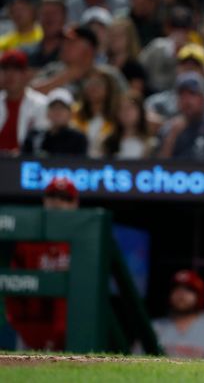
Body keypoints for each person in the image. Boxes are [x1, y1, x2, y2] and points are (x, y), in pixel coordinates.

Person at [4, 176, 79, 351]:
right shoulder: (28, 241)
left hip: (75, 333)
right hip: (30, 332)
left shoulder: (86, 242)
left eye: (65, 198)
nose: (58, 203)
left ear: (75, 204)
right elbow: (14, 289)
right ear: (44, 200)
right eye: (53, 196)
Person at [0, 50, 48, 154]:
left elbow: (41, 144)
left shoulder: (40, 104)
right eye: (5, 68)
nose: (10, 74)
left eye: (16, 69)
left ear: (26, 74)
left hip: (25, 166)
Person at [22, 88, 88, 157]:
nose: (57, 112)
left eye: (62, 108)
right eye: (53, 107)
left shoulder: (78, 139)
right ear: (47, 113)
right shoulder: (35, 136)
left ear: (70, 113)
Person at [71, 66, 120, 159]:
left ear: (109, 89)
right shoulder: (73, 112)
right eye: (89, 83)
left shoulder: (117, 115)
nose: (93, 88)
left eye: (98, 84)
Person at [103, 91, 154, 159]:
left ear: (140, 111)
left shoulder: (151, 143)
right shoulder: (107, 141)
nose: (126, 112)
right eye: (121, 108)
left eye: (130, 107)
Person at [29, 0, 67, 69]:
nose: (49, 18)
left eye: (54, 13)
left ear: (64, 17)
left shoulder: (73, 53)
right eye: (45, 13)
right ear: (37, 18)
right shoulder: (28, 53)